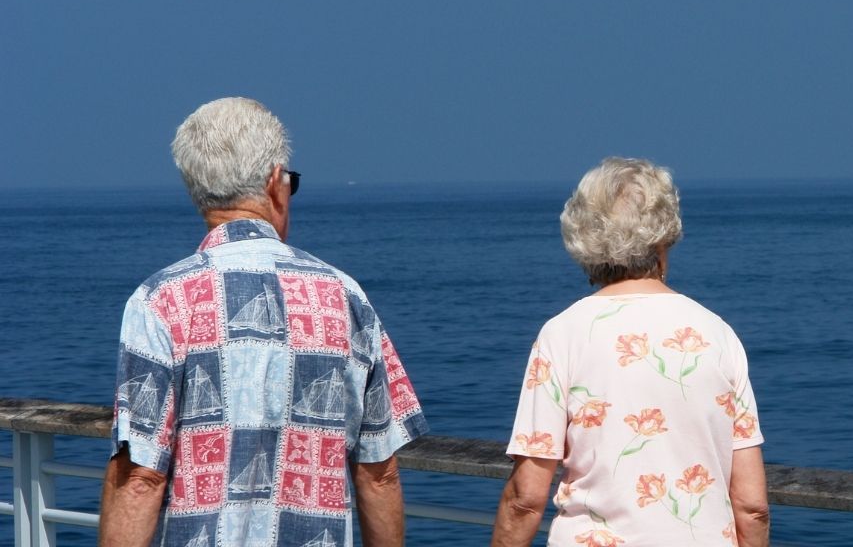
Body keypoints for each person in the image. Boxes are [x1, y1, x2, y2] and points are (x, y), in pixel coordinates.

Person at [99, 97, 427, 547]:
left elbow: (140, 477)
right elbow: (379, 473)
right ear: (276, 183)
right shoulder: (345, 296)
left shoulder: (160, 301)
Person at [491, 157, 769, 547]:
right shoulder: (717, 335)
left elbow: (525, 498)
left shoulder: (563, 334)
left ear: (584, 238)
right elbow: (752, 505)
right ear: (664, 237)